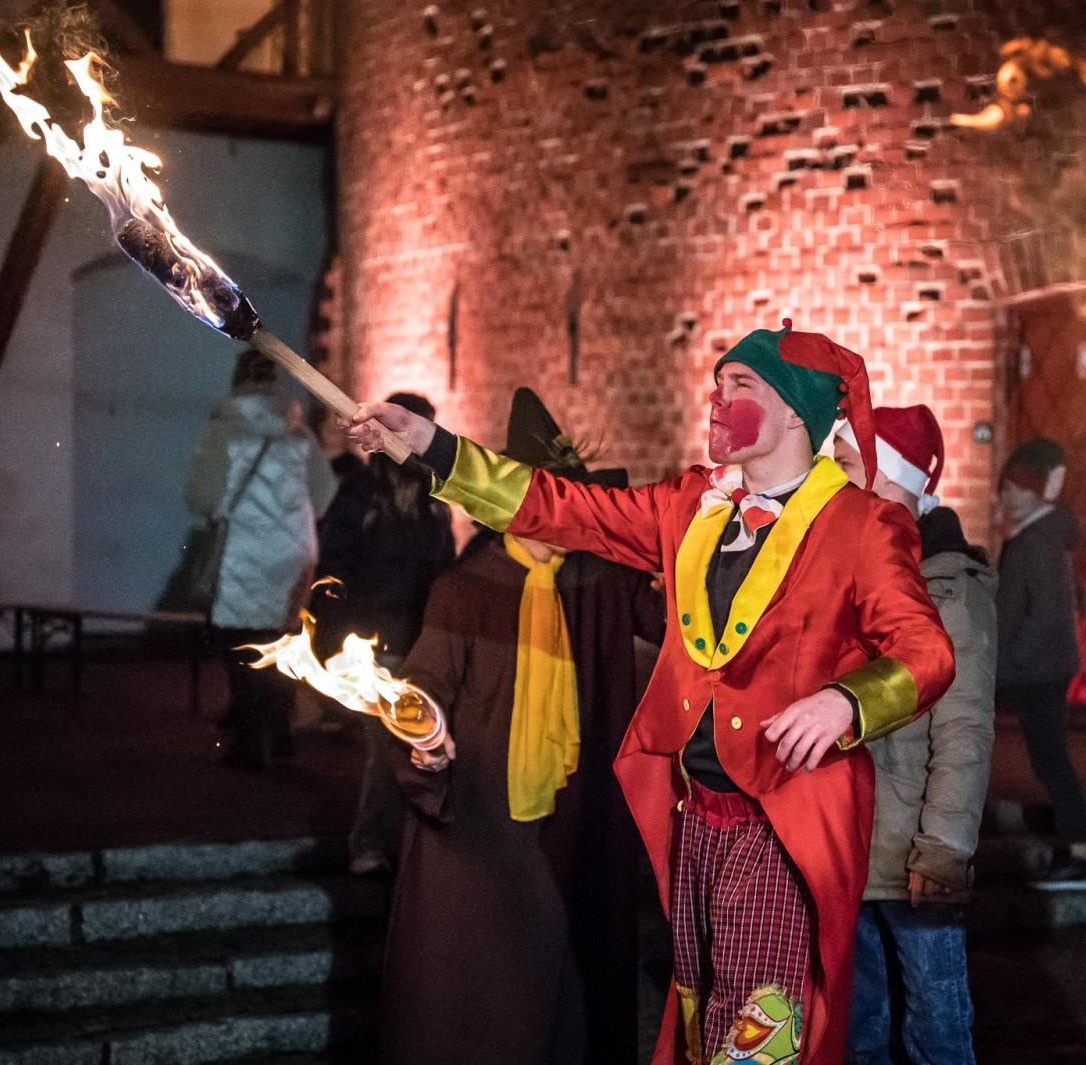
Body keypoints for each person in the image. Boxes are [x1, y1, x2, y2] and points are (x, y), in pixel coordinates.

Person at [350, 318, 956, 1065]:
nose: (717, 398)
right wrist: (434, 448)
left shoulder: (862, 525)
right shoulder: (690, 505)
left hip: (784, 821)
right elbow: (561, 507)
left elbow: (926, 652)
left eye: (741, 386)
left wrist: (847, 702)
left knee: (759, 1033)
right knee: (705, 1022)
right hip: (691, 815)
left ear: (796, 412)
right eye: (717, 383)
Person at [377, 387, 663, 1065]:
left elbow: (683, 625)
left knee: (575, 999)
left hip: (576, 820)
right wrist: (424, 745)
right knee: (484, 1009)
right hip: (483, 827)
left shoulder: (598, 577)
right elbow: (419, 694)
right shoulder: (466, 588)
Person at [835, 407, 997, 1065]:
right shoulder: (846, 569)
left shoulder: (949, 590)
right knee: (857, 1030)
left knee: (935, 1032)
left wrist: (943, 847)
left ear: (889, 476)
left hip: (911, 857)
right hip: (846, 849)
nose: (835, 479)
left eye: (847, 464)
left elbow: (963, 727)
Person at [313, 392, 457, 875]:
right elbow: (334, 564)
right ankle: (370, 845)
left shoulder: (433, 501)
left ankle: (406, 847)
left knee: (418, 746)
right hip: (371, 639)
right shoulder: (361, 494)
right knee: (384, 747)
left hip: (419, 640)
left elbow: (443, 570)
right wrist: (333, 636)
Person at [185, 350, 337, 768]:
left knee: (243, 644)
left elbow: (201, 497)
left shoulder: (225, 431)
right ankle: (281, 731)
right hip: (295, 554)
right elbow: (324, 492)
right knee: (285, 640)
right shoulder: (299, 434)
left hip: (244, 554)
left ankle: (250, 741)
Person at [993, 437, 1086, 891]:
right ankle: (1075, 851)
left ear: (1036, 491)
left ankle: (1080, 856)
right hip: (1038, 667)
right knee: (1048, 757)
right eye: (1006, 487)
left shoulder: (1038, 540)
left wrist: (1006, 661)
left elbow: (1048, 614)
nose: (1005, 497)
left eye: (1016, 488)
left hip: (1037, 669)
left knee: (1051, 759)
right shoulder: (1037, 536)